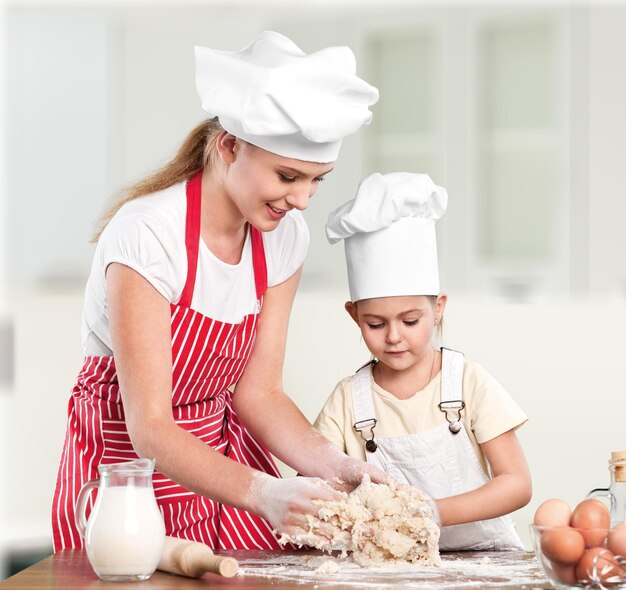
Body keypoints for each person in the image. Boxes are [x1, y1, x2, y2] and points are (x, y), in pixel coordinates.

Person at [52, 31, 386, 552]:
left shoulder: (281, 238)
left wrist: (338, 465)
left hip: (224, 468)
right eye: (288, 175)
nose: (301, 200)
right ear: (229, 146)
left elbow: (259, 393)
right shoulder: (148, 235)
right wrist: (265, 493)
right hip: (127, 476)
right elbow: (152, 428)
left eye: (318, 180)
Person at [314, 172, 532, 551]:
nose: (394, 336)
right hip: (390, 565)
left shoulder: (468, 383)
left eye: (410, 321)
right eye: (376, 323)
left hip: (486, 563)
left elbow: (517, 483)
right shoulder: (348, 400)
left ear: (439, 309)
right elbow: (314, 483)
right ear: (353, 315)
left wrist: (435, 511)